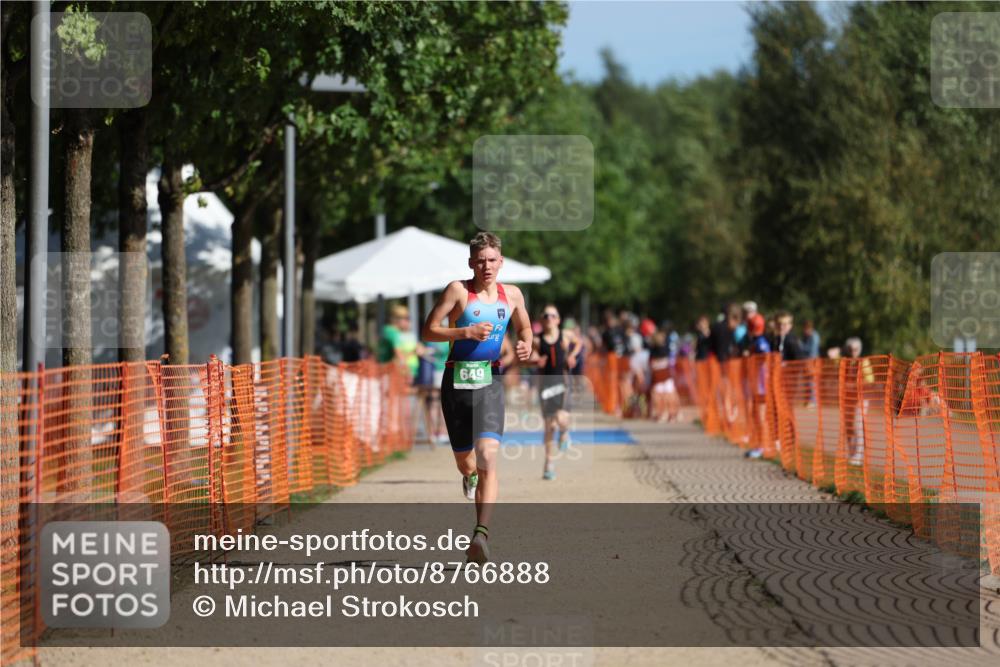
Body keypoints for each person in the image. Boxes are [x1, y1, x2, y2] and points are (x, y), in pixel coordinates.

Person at [421, 232, 532, 565]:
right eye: (480, 260)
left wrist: (528, 344)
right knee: (466, 462)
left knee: (488, 457)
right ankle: (467, 475)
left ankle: (481, 535)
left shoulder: (511, 295)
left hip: (490, 379)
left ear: (501, 262)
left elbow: (525, 328)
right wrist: (463, 332)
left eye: (492, 260)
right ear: (471, 263)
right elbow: (428, 330)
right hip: (456, 379)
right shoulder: (458, 291)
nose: (486, 266)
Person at [532, 304, 581, 480]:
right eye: (545, 316)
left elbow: (579, 342)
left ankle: (566, 432)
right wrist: (536, 361)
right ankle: (548, 463)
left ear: (558, 320)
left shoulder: (566, 336)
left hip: (563, 382)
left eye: (553, 315)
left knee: (561, 418)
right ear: (541, 320)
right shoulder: (537, 340)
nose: (549, 318)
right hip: (546, 386)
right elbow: (525, 357)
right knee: (549, 427)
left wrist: (573, 355)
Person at [378, 305, 420, 375]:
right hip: (389, 370)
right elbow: (398, 354)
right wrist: (407, 371)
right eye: (406, 319)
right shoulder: (393, 333)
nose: (408, 322)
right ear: (397, 319)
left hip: (383, 367)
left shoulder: (386, 329)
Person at [649, 329, 680, 422]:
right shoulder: (653, 350)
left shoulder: (665, 348)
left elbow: (666, 362)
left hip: (665, 375)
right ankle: (660, 413)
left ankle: (672, 414)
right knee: (658, 395)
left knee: (670, 395)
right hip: (658, 376)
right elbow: (652, 363)